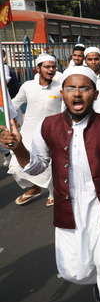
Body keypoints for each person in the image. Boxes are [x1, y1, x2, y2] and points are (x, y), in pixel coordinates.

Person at [0, 66, 100, 302]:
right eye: (70, 88)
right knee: (72, 270)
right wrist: (19, 148)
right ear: (63, 94)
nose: (77, 94)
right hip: (68, 209)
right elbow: (36, 166)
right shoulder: (48, 126)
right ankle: (99, 282)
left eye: (84, 88)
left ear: (95, 94)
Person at [9, 54, 62, 207]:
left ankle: (52, 193)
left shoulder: (60, 88)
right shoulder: (27, 86)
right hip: (27, 132)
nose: (51, 69)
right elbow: (13, 105)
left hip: (49, 132)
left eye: (53, 67)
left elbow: (65, 111)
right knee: (16, 166)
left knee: (49, 166)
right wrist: (11, 120)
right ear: (38, 69)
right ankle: (34, 188)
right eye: (47, 66)